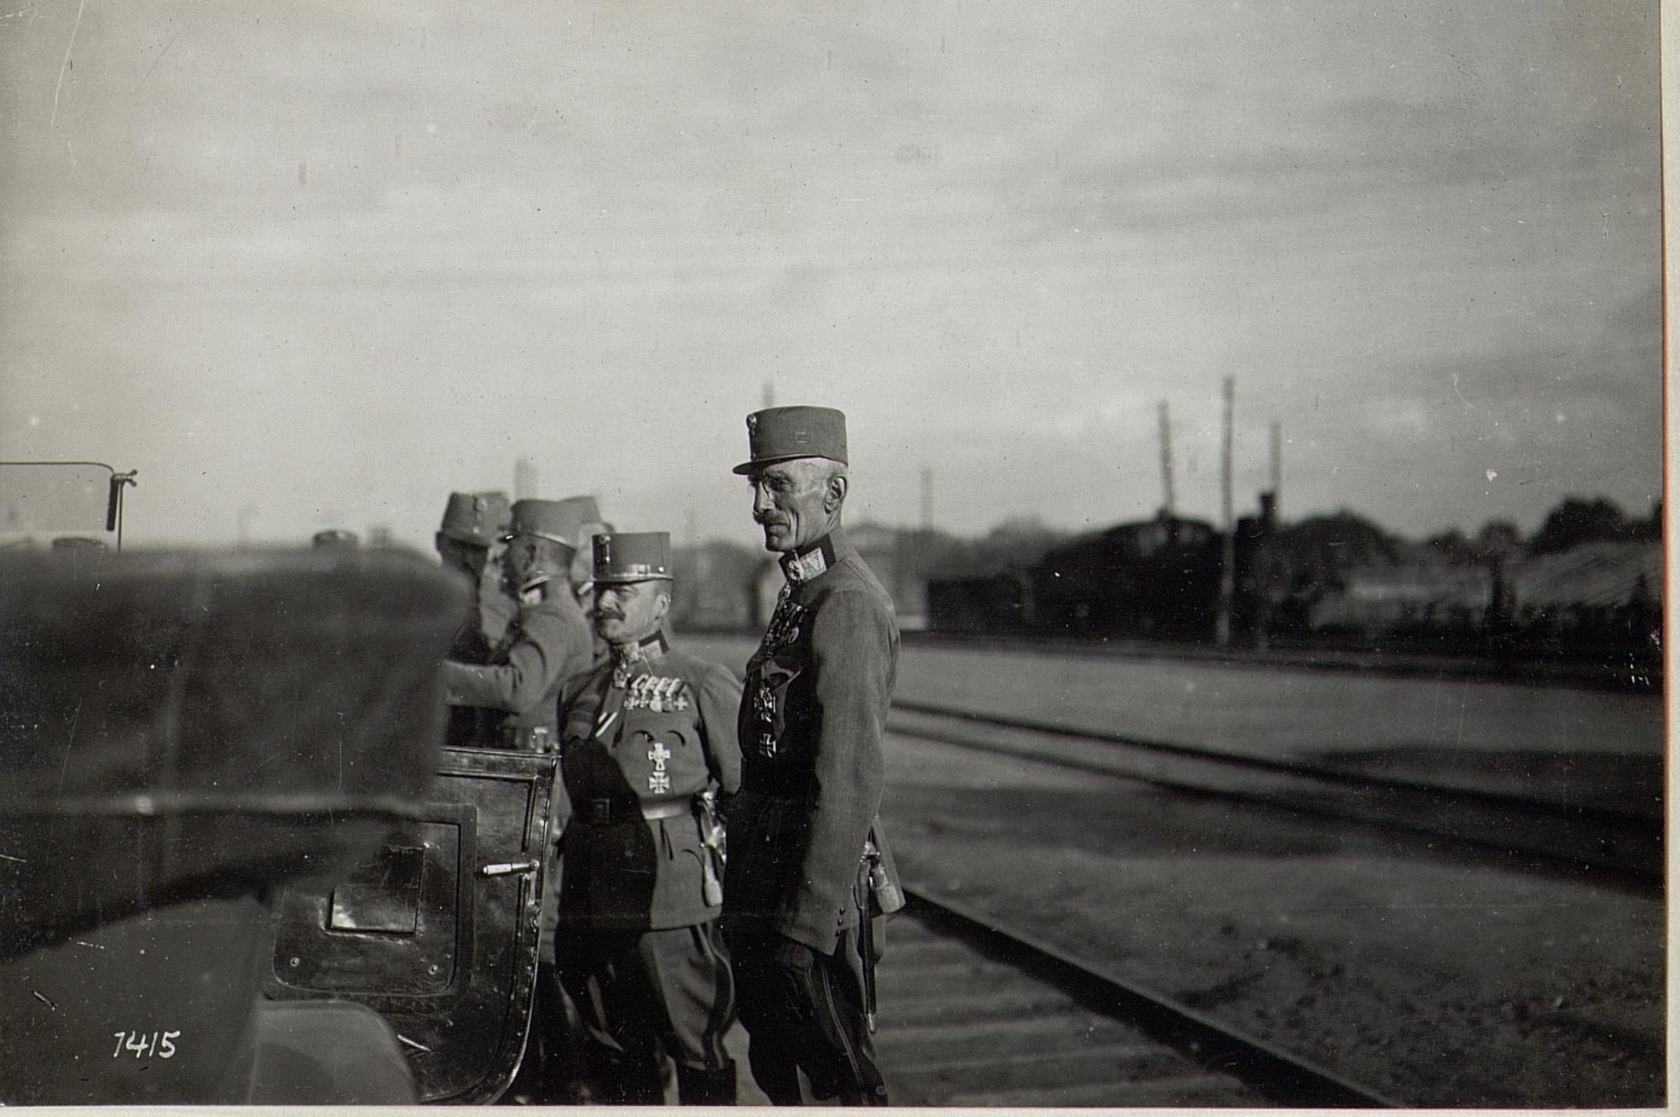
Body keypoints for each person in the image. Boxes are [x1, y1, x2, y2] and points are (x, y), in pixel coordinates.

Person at [723, 405, 903, 1106]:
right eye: (757, 487)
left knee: (834, 1082)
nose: (760, 506)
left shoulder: (846, 602)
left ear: (833, 494)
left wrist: (805, 923)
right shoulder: (804, 593)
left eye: (779, 485)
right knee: (785, 1078)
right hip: (767, 877)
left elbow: (847, 781)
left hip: (806, 895)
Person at [545, 531, 743, 1106]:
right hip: (588, 894)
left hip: (670, 900)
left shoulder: (700, 683)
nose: (604, 602)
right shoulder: (578, 690)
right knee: (613, 1048)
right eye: (601, 588)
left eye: (623, 592)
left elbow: (744, 791)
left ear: (661, 603)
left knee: (694, 1043)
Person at [438, 496, 598, 752]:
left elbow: (518, 688)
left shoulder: (553, 614)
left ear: (531, 554)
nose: (501, 555)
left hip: (528, 760)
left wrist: (436, 674)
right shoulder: (545, 608)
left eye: (511, 544)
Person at [434, 490, 517, 748]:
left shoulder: (505, 606)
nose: (468, 559)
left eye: (478, 549)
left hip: (483, 738)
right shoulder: (417, 601)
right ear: (439, 542)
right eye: (458, 546)